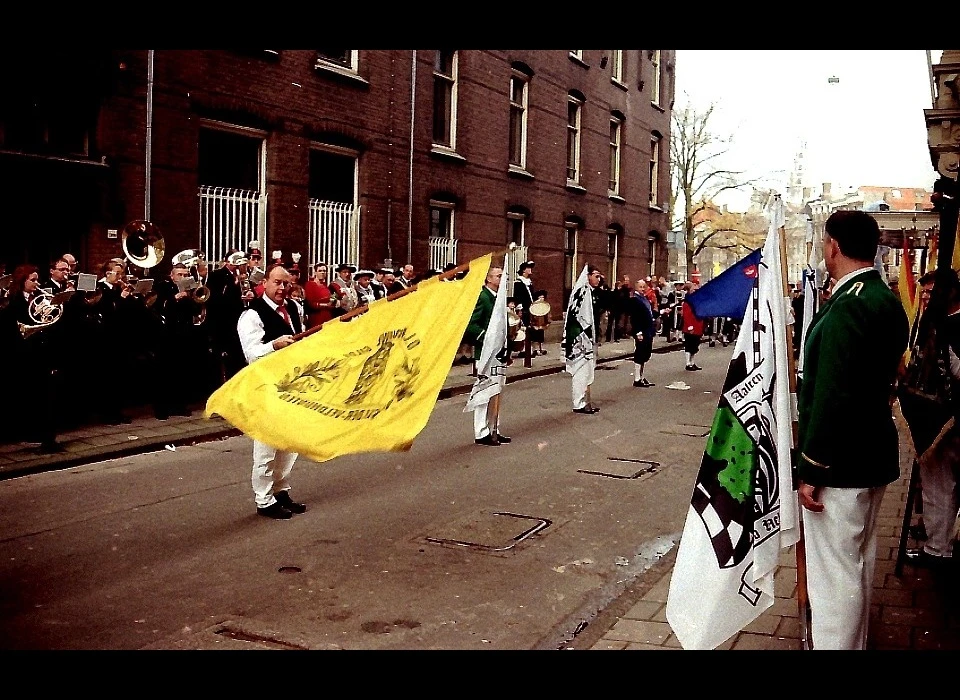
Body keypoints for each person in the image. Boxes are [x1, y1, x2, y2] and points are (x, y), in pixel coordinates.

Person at [796, 209, 909, 650]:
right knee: (858, 563)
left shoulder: (848, 305)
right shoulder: (883, 298)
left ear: (833, 247)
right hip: (872, 451)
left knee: (834, 577)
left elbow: (833, 393)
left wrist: (813, 467)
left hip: (840, 462)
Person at [237, 263, 306, 519]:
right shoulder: (252, 315)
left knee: (289, 443)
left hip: (291, 385)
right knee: (266, 446)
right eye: (277, 282)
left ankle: (281, 489)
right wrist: (274, 346)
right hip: (265, 386)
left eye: (286, 283)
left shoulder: (294, 308)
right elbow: (251, 354)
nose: (282, 288)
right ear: (264, 283)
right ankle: (264, 499)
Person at [906, 268, 960, 568]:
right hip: (944, 421)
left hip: (947, 423)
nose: (924, 297)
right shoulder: (938, 322)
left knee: (939, 485)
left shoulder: (950, 326)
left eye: (930, 292)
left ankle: (938, 549)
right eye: (923, 292)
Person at [463, 265, 511, 446]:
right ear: (488, 278)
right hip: (485, 351)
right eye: (498, 276)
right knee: (484, 390)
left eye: (502, 276)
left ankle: (494, 429)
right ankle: (481, 431)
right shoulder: (483, 297)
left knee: (496, 391)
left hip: (498, 352)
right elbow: (471, 324)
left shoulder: (499, 298)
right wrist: (486, 338)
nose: (501, 279)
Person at [565, 264, 602, 414]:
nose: (598, 279)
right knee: (580, 371)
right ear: (588, 276)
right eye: (596, 276)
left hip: (588, 337)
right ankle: (579, 402)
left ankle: (585, 400)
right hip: (579, 339)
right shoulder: (581, 293)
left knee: (587, 370)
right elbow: (579, 317)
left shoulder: (590, 292)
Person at [629, 279, 656, 387]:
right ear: (636, 288)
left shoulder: (644, 299)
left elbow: (648, 314)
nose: (643, 289)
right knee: (640, 353)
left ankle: (641, 376)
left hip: (648, 330)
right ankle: (637, 379)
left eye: (644, 286)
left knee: (645, 353)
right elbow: (635, 318)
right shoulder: (635, 300)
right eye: (640, 287)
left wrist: (660, 312)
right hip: (642, 330)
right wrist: (638, 332)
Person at [304, 262, 336, 329]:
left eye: (324, 271)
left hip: (327, 316)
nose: (322, 273)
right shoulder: (310, 285)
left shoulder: (325, 286)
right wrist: (326, 305)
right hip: (316, 317)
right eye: (320, 271)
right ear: (315, 272)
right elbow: (310, 304)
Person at [680, 282, 704, 371]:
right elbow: (686, 315)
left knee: (695, 346)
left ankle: (692, 362)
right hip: (690, 327)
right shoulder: (687, 302)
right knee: (689, 345)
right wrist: (690, 326)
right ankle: (688, 363)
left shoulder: (697, 301)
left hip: (698, 326)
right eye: (694, 290)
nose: (695, 291)